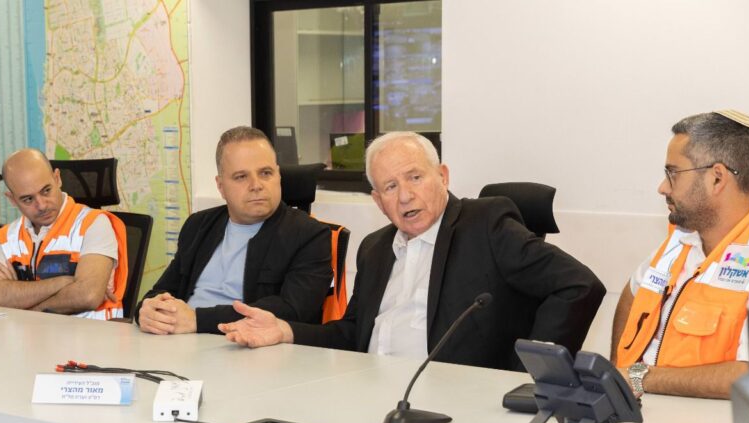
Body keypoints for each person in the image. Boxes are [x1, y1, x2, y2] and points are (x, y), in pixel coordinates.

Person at [219, 131, 605, 370]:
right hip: (369, 393)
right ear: (377, 200)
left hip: (453, 405)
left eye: (415, 177)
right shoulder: (375, 249)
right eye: (390, 187)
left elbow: (579, 285)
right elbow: (352, 334)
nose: (405, 196)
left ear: (443, 177)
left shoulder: (484, 224)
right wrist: (285, 330)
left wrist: (531, 375)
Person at [612, 110, 749, 400]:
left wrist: (639, 377)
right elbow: (633, 292)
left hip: (707, 421)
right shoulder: (682, 238)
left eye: (672, 173)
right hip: (645, 406)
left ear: (717, 179)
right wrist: (617, 374)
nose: (662, 187)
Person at [136, 126, 331, 334]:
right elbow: (163, 291)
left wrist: (197, 320)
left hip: (249, 346)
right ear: (221, 186)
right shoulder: (199, 225)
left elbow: (293, 309)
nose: (256, 185)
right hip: (181, 340)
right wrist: (146, 310)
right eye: (241, 177)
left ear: (279, 176)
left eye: (266, 173)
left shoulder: (309, 235)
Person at [0, 148, 127, 319]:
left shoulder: (94, 224)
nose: (42, 205)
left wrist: (27, 306)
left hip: (91, 334)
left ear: (57, 178)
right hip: (31, 335)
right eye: (28, 199)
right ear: (12, 199)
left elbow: (87, 295)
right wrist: (64, 282)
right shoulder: (5, 238)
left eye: (46, 191)